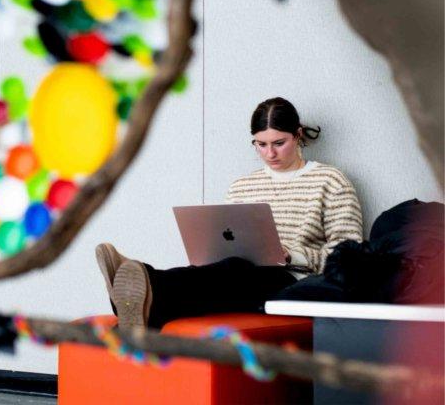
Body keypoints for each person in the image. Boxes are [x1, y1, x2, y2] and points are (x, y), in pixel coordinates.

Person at [96, 97, 363, 329]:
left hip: (292, 281)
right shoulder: (242, 186)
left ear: (298, 134)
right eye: (260, 144)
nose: (269, 153)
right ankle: (141, 303)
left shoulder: (331, 180)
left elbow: (353, 259)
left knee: (236, 270)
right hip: (239, 275)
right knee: (223, 270)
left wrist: (292, 254)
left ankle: (141, 283)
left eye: (279, 143)